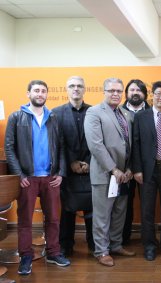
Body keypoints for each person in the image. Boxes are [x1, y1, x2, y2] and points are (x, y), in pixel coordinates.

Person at [5, 80, 70, 275]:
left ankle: (53, 252)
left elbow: (61, 147)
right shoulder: (16, 117)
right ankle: (26, 255)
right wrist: (19, 174)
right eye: (36, 90)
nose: (40, 94)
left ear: (46, 94)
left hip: (50, 177)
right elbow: (9, 147)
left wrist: (60, 172)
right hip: (28, 178)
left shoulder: (53, 118)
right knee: (25, 220)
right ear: (28, 94)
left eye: (43, 91)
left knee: (53, 219)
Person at [84, 78, 135, 267]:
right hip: (106, 174)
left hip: (124, 175)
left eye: (119, 91)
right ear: (104, 91)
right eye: (111, 90)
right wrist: (113, 169)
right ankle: (101, 251)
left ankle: (116, 245)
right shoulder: (94, 112)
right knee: (102, 215)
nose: (115, 94)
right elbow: (95, 145)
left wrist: (129, 169)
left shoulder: (125, 114)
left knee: (119, 212)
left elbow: (129, 144)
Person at [132, 81, 161, 261]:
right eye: (158, 94)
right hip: (146, 171)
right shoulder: (141, 117)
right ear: (152, 95)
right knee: (147, 211)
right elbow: (135, 144)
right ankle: (149, 245)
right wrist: (137, 169)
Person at [52, 76, 94, 256]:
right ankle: (65, 245)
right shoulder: (56, 113)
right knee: (67, 210)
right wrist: (70, 163)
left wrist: (90, 164)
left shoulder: (95, 111)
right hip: (66, 170)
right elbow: (55, 144)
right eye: (72, 86)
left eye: (79, 86)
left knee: (93, 210)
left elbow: (101, 142)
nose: (76, 89)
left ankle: (94, 245)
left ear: (85, 89)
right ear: (66, 89)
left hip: (91, 169)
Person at [120, 79, 150, 245]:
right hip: (124, 168)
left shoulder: (153, 112)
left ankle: (148, 240)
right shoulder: (118, 112)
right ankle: (123, 239)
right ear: (126, 93)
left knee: (147, 205)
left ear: (145, 94)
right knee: (124, 204)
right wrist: (129, 167)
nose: (135, 93)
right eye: (132, 90)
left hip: (147, 167)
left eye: (139, 90)